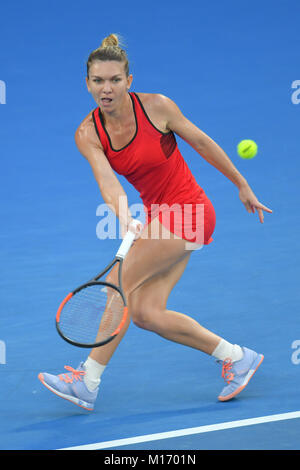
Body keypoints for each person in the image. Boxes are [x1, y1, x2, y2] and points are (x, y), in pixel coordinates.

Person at [38, 34, 272, 411]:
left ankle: (88, 381)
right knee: (147, 313)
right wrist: (123, 215)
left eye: (115, 80)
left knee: (120, 286)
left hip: (191, 212)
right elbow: (107, 181)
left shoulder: (157, 107)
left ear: (129, 81)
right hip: (158, 218)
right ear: (87, 84)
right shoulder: (88, 134)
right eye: (98, 81)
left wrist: (241, 184)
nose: (106, 88)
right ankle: (236, 357)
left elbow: (201, 142)